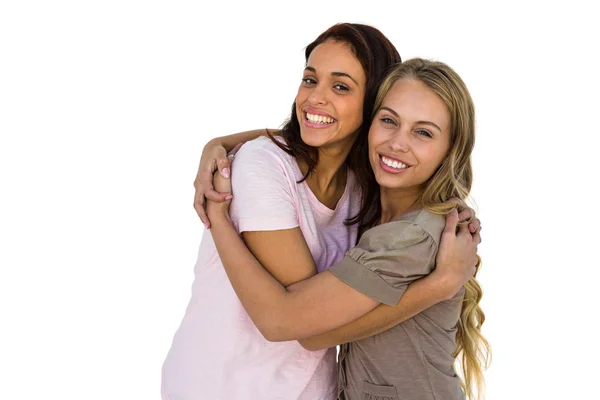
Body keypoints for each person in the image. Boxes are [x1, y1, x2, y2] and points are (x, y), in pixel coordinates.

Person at [162, 23, 479, 400]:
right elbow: (285, 143)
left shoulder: (391, 214)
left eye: (341, 86)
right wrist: (218, 144)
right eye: (310, 79)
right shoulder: (330, 179)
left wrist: (218, 216)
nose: (315, 98)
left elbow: (292, 323)